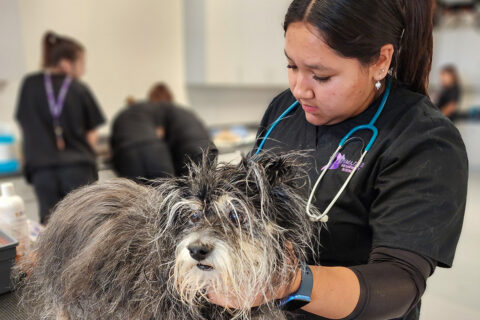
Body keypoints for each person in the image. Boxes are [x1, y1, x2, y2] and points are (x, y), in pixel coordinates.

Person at [208, 1, 468, 320]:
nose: (300, 89)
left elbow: (398, 284)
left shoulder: (423, 139)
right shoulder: (283, 111)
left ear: (380, 61)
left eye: (321, 75)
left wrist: (291, 283)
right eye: (291, 66)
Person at [16, 31, 105, 224]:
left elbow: (24, 128)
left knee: (50, 227)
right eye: (82, 63)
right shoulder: (78, 88)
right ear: (66, 63)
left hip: (42, 170)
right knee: (85, 225)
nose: (84, 69)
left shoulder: (29, 85)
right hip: (78, 168)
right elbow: (92, 134)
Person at [111, 83, 216, 181]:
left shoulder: (132, 114)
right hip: (209, 149)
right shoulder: (179, 111)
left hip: (129, 153)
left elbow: (159, 133)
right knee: (172, 195)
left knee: (135, 196)